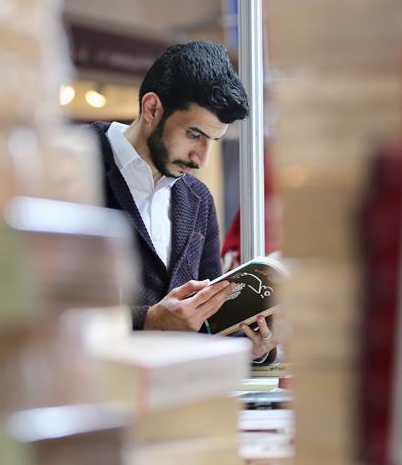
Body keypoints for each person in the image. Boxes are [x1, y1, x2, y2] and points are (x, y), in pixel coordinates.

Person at [89, 41, 278, 361]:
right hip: (93, 397)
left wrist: (248, 347)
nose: (201, 159)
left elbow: (207, 323)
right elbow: (39, 301)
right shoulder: (74, 164)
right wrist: (149, 321)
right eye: (194, 135)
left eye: (213, 141)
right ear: (151, 108)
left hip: (175, 398)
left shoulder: (198, 199)